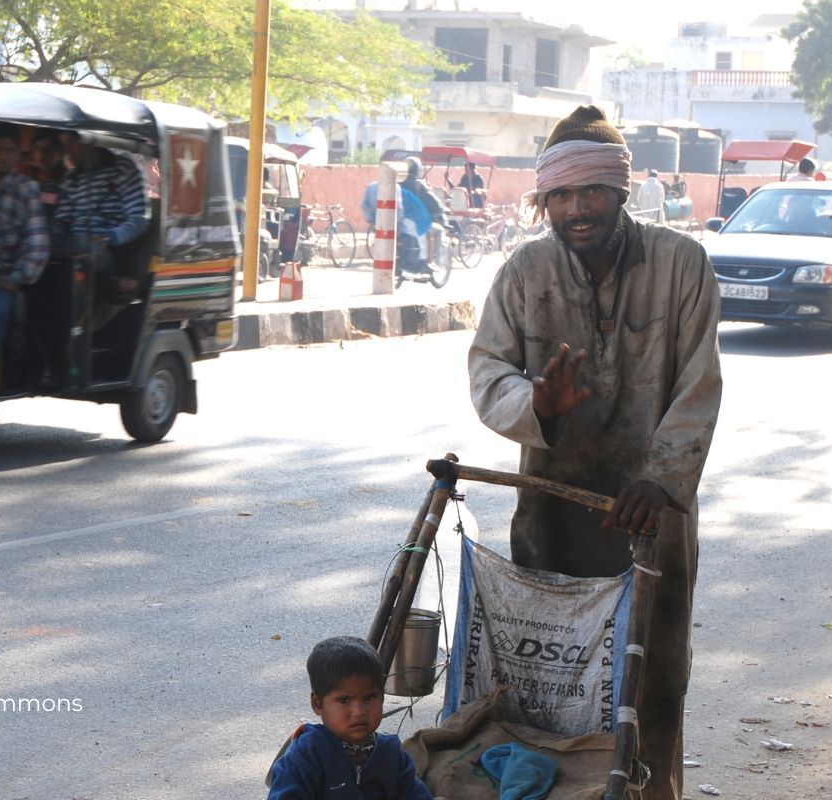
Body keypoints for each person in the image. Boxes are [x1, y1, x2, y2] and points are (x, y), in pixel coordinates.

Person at [467, 105, 722, 800]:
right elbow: (488, 369)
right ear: (544, 201)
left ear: (621, 191)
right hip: (553, 511)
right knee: (547, 681)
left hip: (652, 518)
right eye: (561, 196)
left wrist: (663, 482)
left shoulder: (682, 265)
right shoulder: (524, 272)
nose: (577, 210)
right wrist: (536, 405)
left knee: (654, 679)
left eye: (591, 192)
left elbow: (699, 384)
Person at [266, 636, 437, 800]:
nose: (359, 711)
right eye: (344, 700)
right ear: (317, 704)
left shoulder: (392, 754)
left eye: (370, 697)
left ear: (382, 698)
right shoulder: (305, 756)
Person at [0, 126, 50, 401]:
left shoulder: (25, 189)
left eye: (9, 151)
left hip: (2, 277)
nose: (3, 157)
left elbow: (38, 244)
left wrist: (15, 279)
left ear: (16, 155)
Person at [54, 132, 149, 286]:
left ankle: (111, 283)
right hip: (73, 247)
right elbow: (62, 222)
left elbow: (139, 220)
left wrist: (110, 237)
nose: (67, 150)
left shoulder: (122, 168)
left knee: (88, 249)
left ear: (88, 140)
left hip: (109, 251)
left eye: (71, 143)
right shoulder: (71, 179)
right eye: (64, 145)